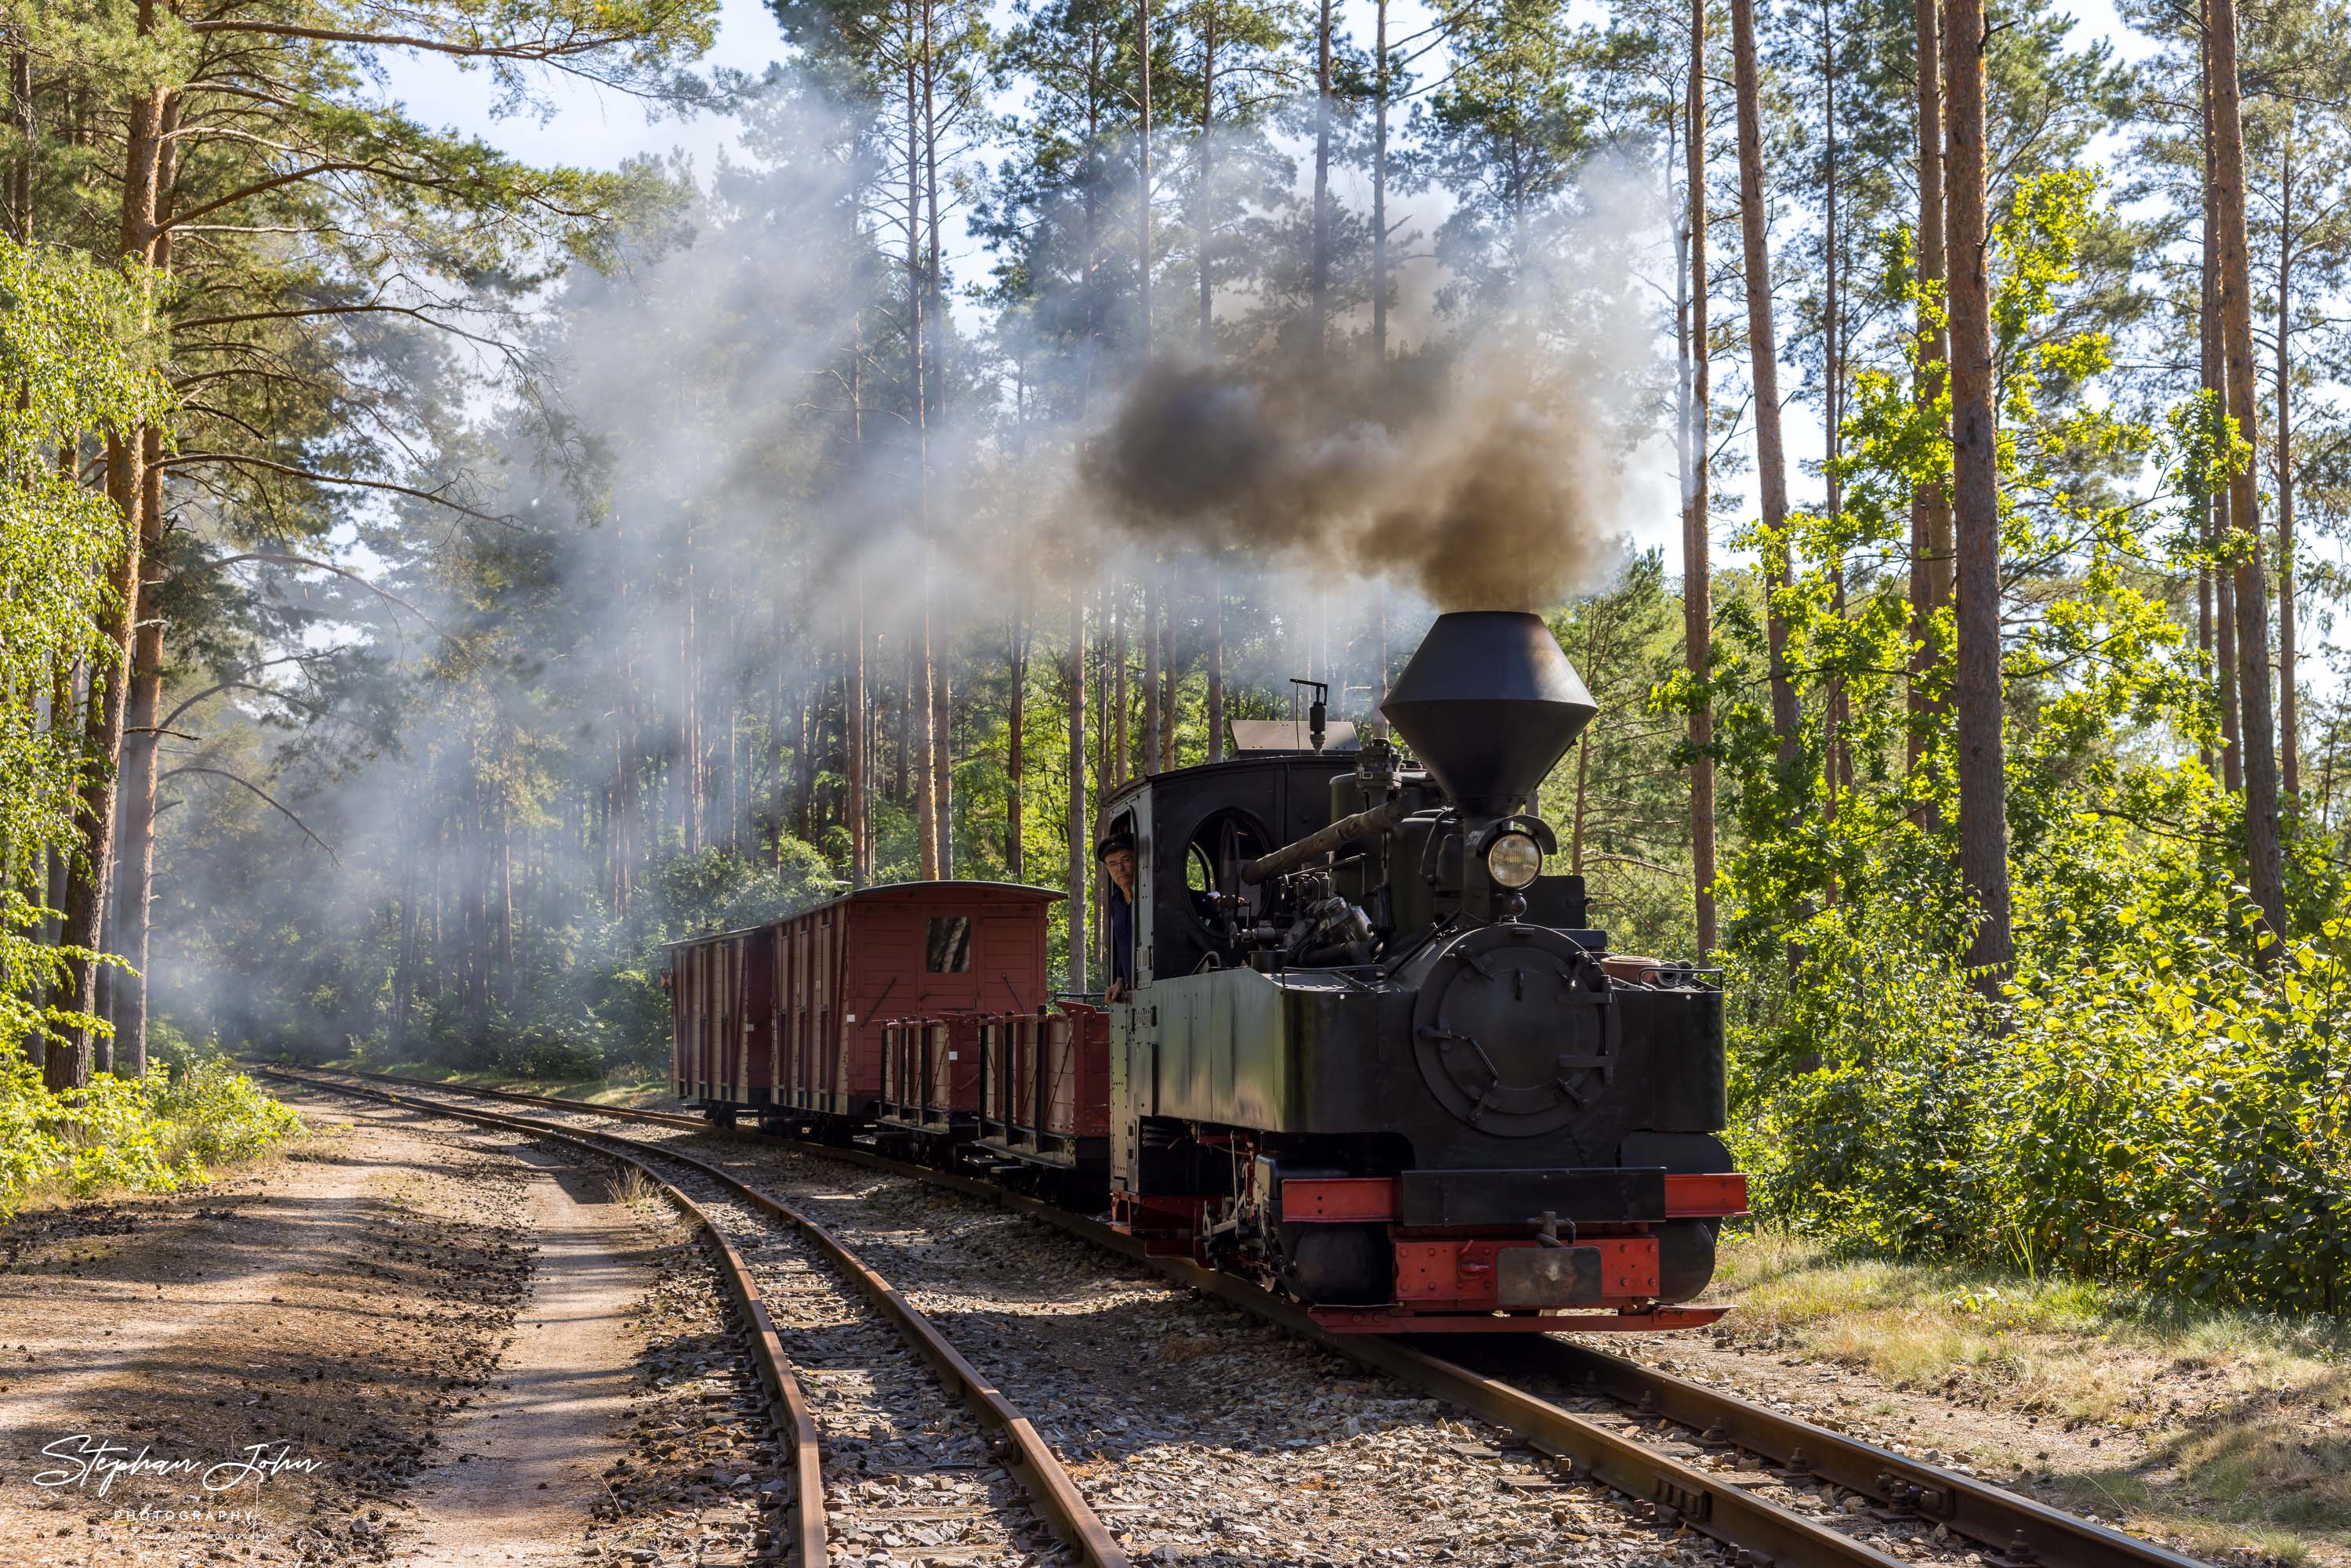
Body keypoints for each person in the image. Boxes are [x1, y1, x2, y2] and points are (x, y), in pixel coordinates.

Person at [1099, 831, 1136, 1002]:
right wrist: (1120, 980)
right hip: (1134, 993)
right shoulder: (1116, 902)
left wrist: (1215, 899)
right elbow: (1123, 946)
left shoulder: (1155, 894)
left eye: (1126, 860)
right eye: (1113, 864)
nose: (1119, 869)